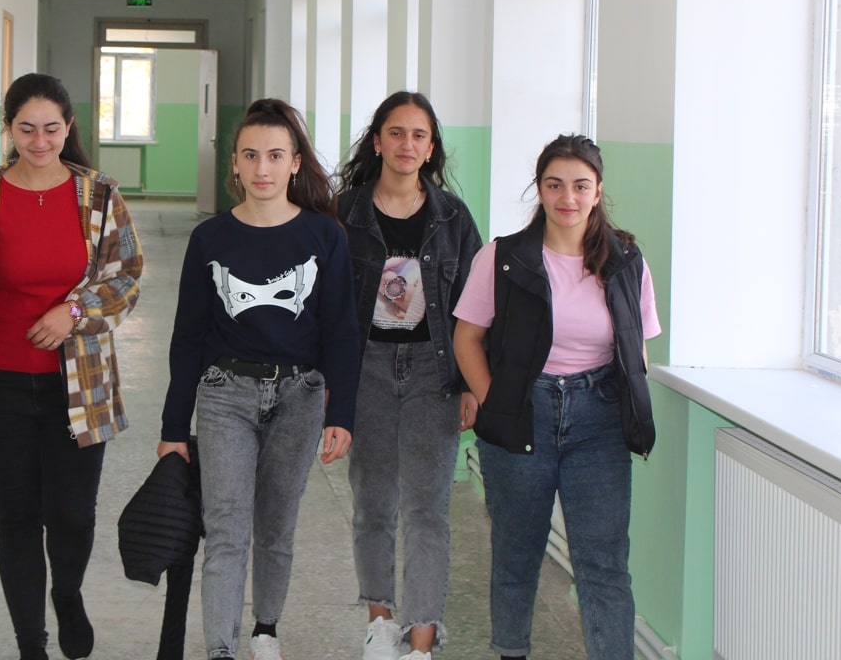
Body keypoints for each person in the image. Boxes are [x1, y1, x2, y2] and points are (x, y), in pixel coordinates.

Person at [158, 98, 362, 660]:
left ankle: (265, 630)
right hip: (225, 394)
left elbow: (342, 331)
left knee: (276, 524)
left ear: (295, 163)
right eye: (250, 155)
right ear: (235, 164)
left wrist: (341, 412)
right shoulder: (210, 240)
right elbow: (188, 337)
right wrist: (174, 427)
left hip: (301, 396)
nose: (262, 168)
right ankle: (220, 649)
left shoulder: (324, 237)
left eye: (275, 155)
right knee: (226, 527)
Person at [0, 72, 143, 660]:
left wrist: (74, 311)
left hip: (78, 381)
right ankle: (30, 644)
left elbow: (127, 276)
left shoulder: (99, 195)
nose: (40, 142)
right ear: (9, 129)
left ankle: (67, 593)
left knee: (72, 516)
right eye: (27, 129)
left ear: (69, 128)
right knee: (15, 518)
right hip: (1, 382)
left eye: (51, 129)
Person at [451, 135, 660, 660]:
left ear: (598, 192)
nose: (568, 198)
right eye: (555, 185)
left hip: (599, 419)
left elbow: (636, 348)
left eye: (581, 186)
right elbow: (466, 338)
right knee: (517, 553)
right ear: (539, 190)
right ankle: (511, 652)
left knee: (604, 562)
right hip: (524, 413)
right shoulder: (503, 258)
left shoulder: (627, 261)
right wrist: (495, 404)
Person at [336, 92, 483, 660]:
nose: (407, 144)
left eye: (419, 135)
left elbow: (474, 309)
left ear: (431, 147)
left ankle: (421, 640)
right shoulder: (344, 213)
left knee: (428, 508)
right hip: (366, 368)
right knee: (373, 503)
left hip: (433, 372)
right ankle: (380, 621)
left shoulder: (453, 218)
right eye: (396, 133)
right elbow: (326, 305)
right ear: (377, 141)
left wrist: (470, 382)